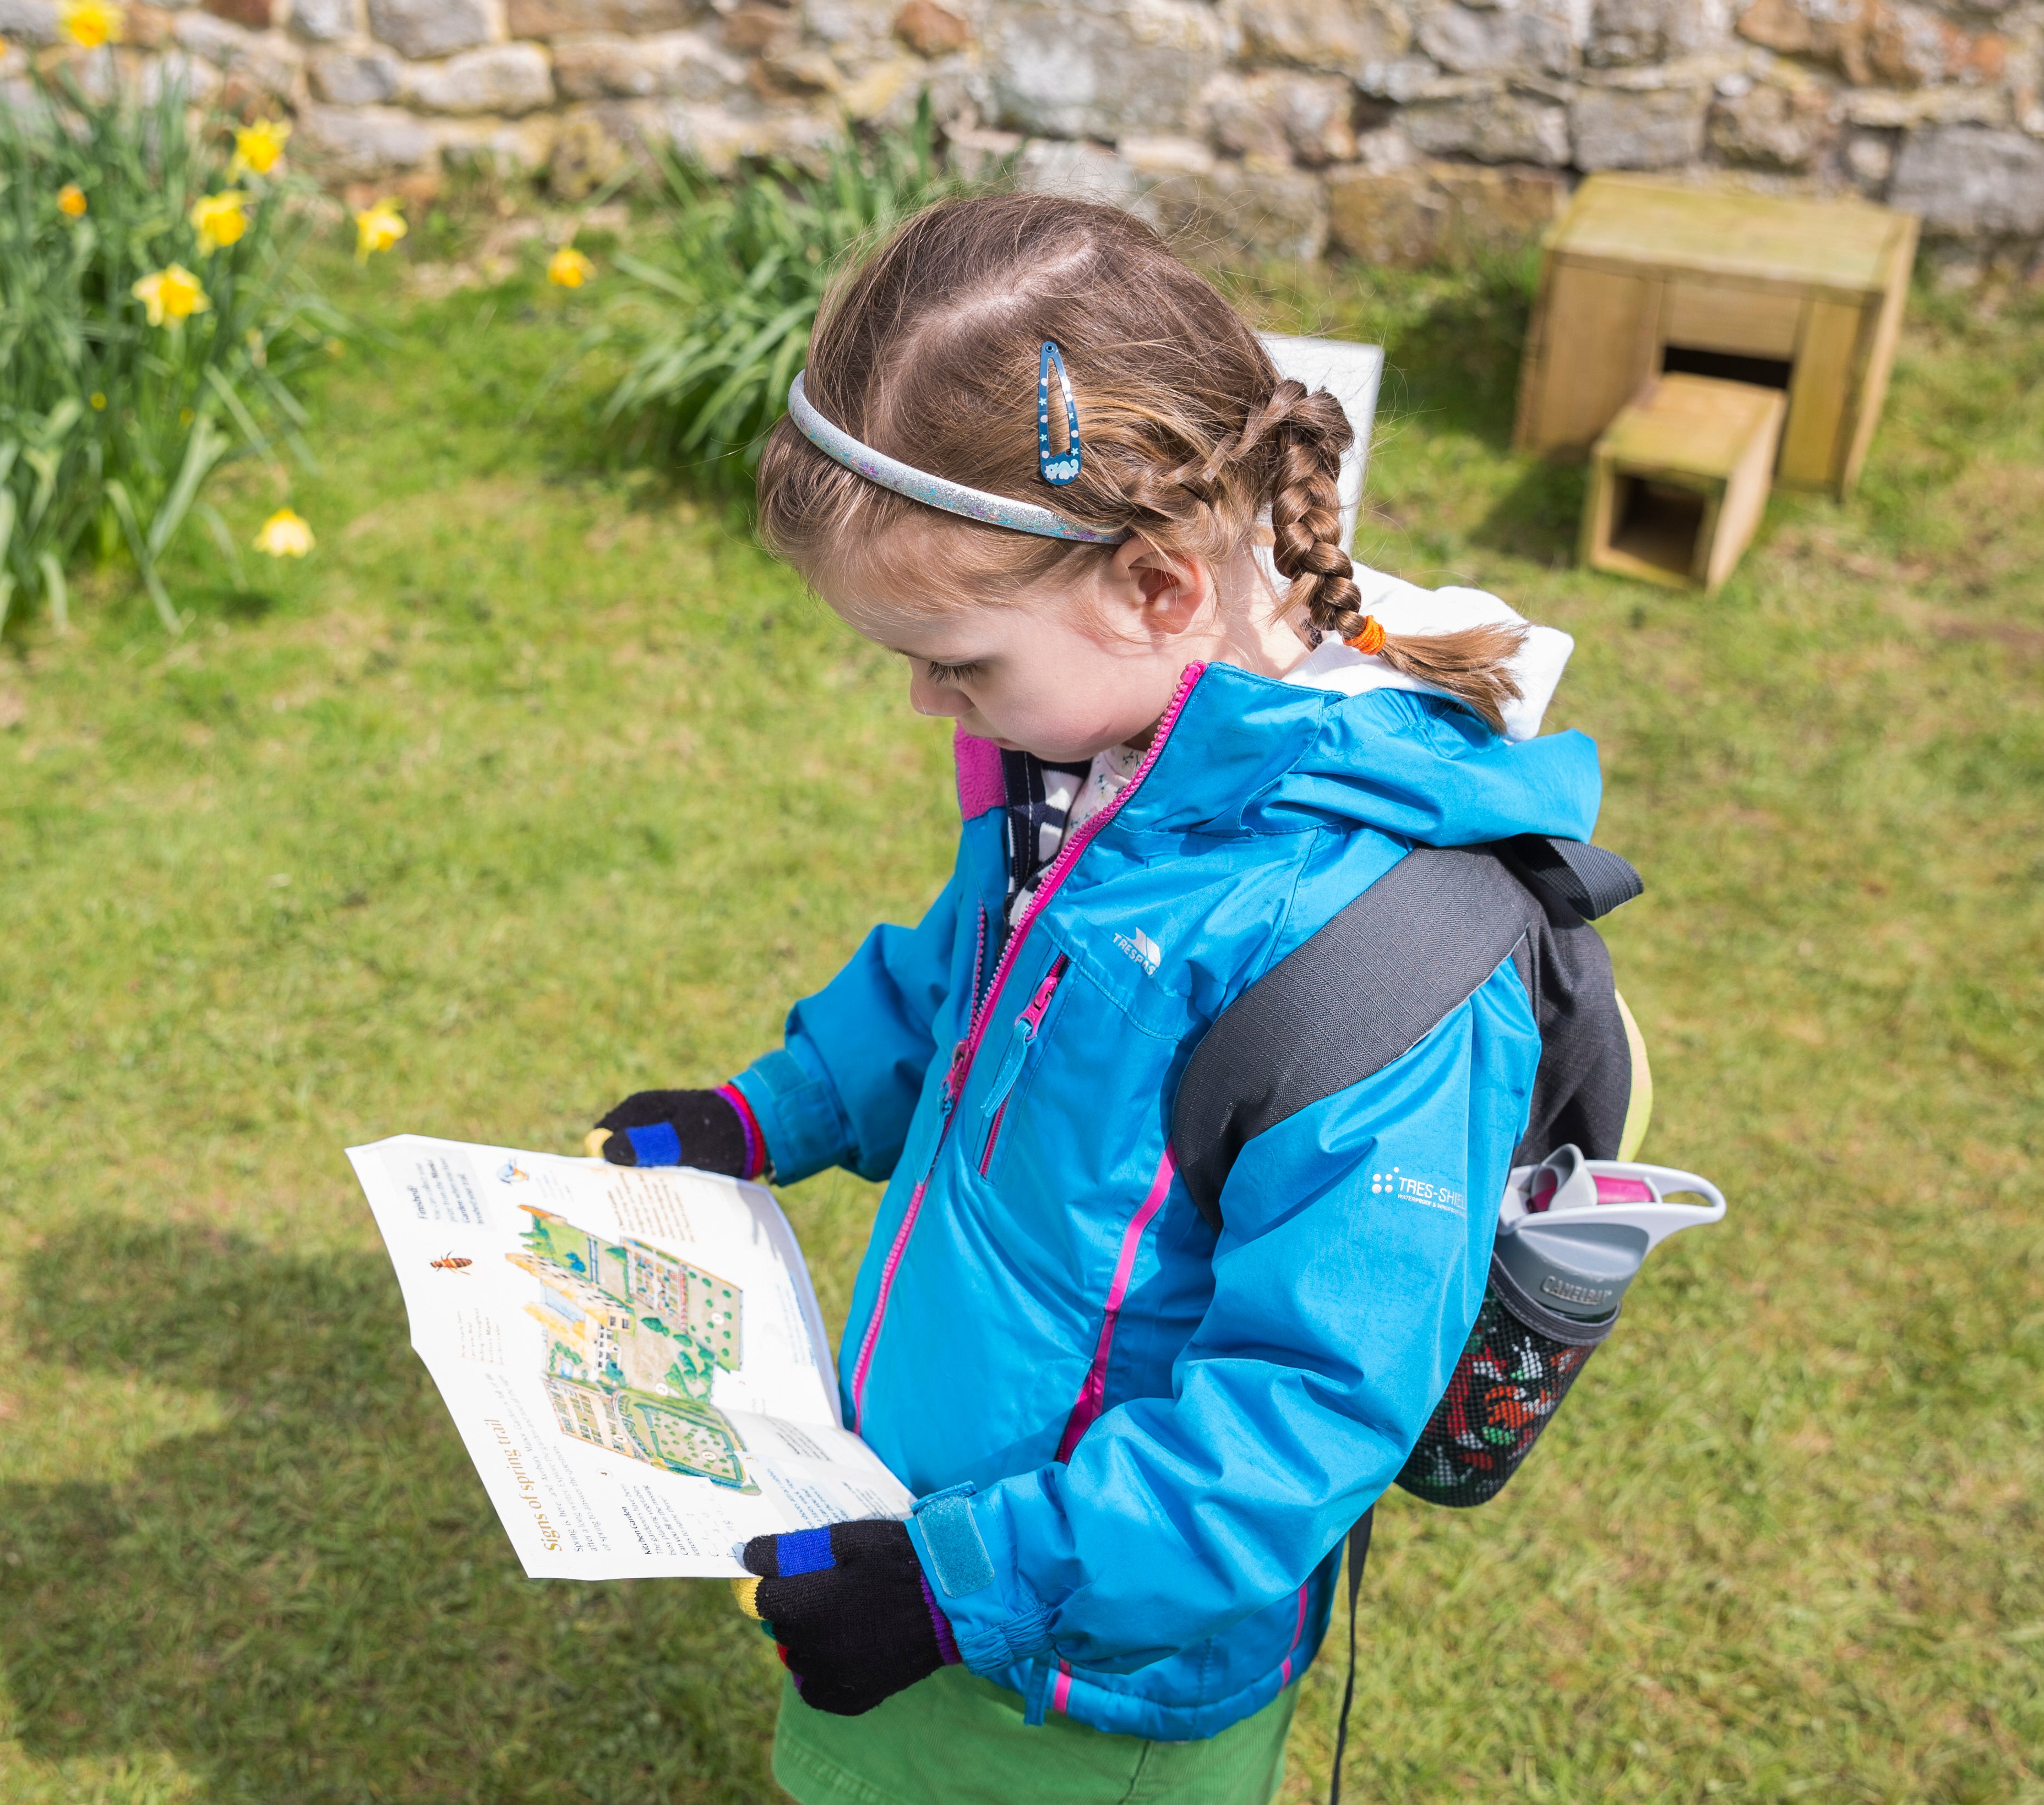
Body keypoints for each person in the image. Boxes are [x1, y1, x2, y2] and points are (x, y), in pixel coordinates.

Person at [587, 193, 1601, 1805]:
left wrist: (955, 1587)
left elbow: (1302, 1414)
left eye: (957, 660)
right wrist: (766, 1109)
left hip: (1089, 1669)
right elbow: (968, 985)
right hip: (925, 1539)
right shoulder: (1105, 760)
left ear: (1156, 587)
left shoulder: (1383, 954)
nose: (927, 701)